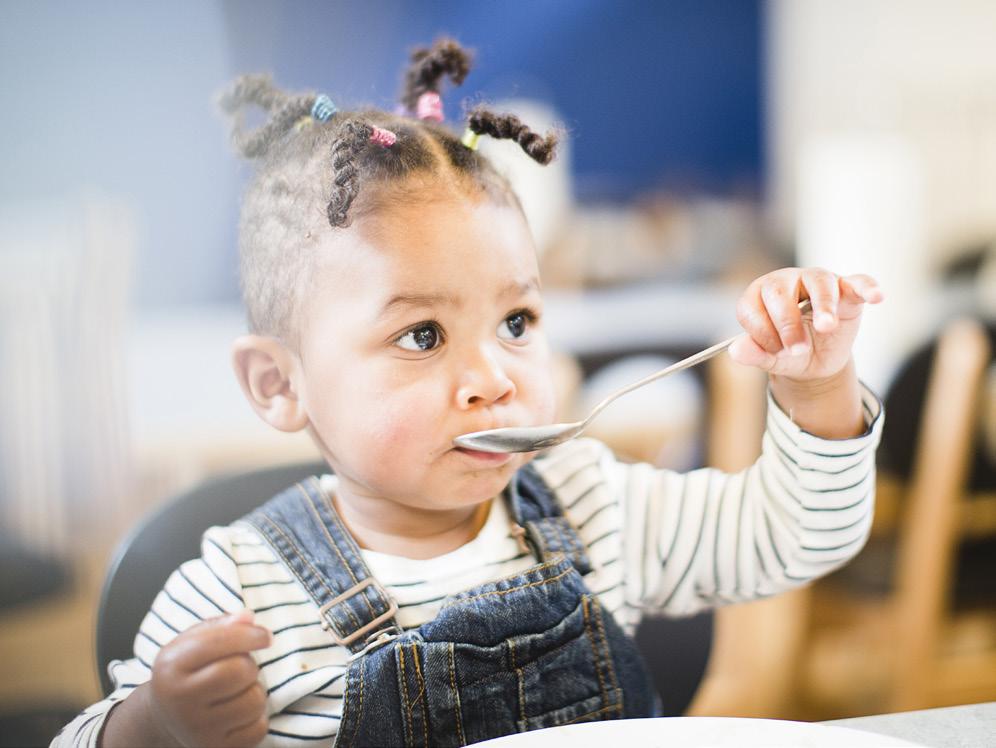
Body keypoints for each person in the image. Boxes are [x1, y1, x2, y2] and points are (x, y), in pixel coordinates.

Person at [55, 39, 884, 748]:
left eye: (517, 321)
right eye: (422, 336)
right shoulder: (239, 592)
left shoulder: (593, 503)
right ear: (281, 384)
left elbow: (798, 536)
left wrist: (818, 389)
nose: (494, 378)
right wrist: (154, 726)